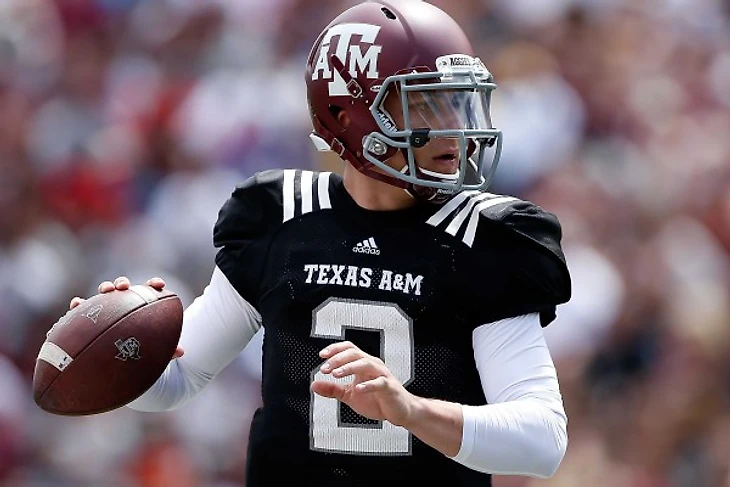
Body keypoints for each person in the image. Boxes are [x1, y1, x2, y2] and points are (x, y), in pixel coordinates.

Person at [71, 1, 571, 485]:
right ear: (348, 114)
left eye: (458, 102)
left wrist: (411, 410)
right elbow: (177, 383)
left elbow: (542, 440)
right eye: (425, 104)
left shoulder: (483, 239)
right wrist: (119, 350)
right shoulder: (281, 217)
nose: (455, 127)